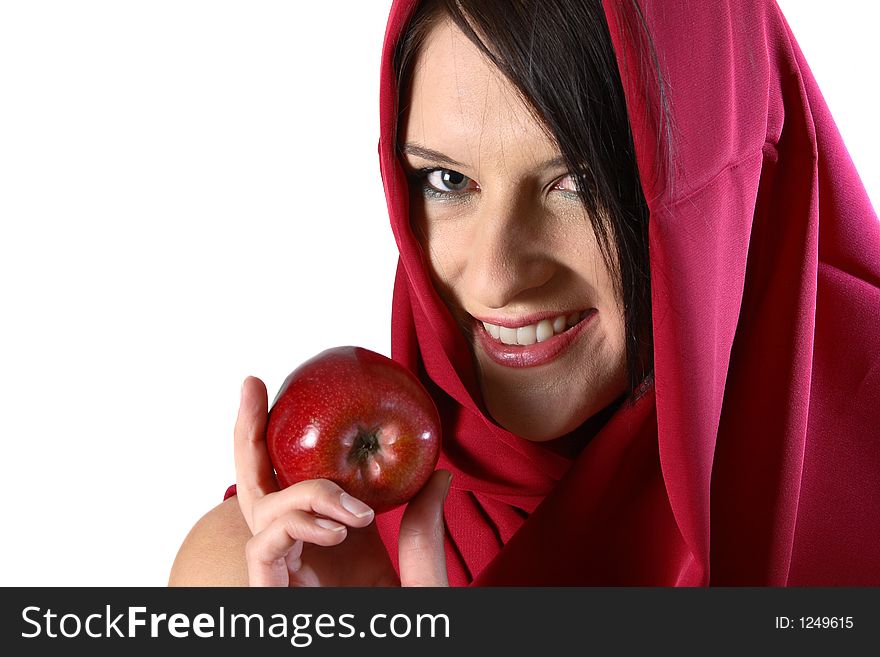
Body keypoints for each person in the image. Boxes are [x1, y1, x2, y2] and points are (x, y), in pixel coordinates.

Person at [169, 0, 880, 587]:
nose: (494, 277)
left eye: (580, 184)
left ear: (717, 184)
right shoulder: (283, 575)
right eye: (447, 181)